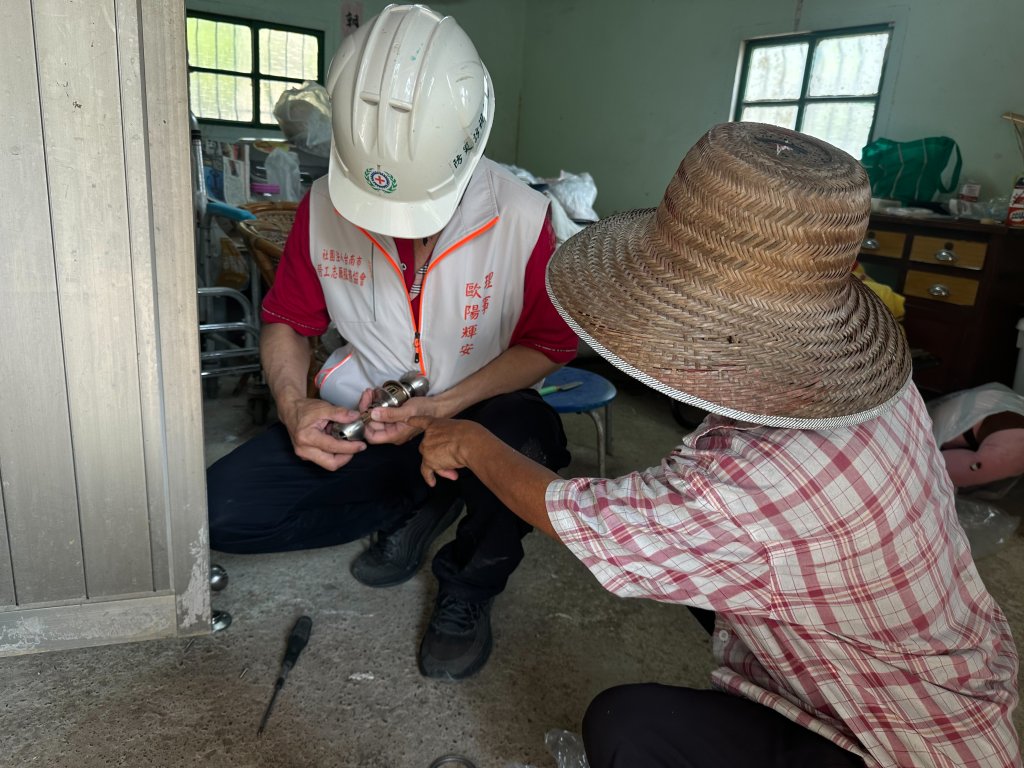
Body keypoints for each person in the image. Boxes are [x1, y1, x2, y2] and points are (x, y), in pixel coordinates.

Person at [398, 123, 1021, 766]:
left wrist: (470, 441)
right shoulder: (877, 387)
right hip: (959, 681)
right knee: (703, 589)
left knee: (628, 727)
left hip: (898, 745)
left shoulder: (751, 486)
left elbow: (598, 526)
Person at [206, 3, 576, 680]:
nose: (403, 232)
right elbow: (287, 319)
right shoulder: (322, 206)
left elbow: (549, 347)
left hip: (482, 416)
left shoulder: (526, 217)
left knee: (527, 440)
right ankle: (417, 500)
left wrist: (446, 409)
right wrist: (293, 407)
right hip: (372, 420)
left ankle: (467, 586)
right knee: (216, 513)